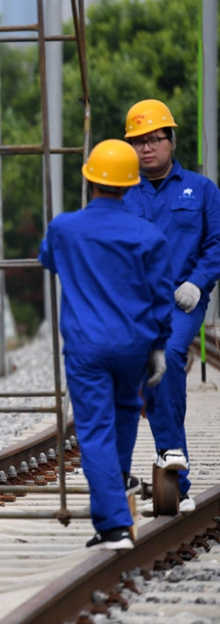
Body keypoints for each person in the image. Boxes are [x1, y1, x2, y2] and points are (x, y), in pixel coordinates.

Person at [39, 139, 174, 549]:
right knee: (126, 415)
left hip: (86, 346)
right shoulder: (148, 235)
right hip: (133, 345)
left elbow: (48, 260)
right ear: (131, 185)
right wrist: (159, 346)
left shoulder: (65, 228)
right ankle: (117, 502)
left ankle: (113, 524)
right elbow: (161, 296)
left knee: (95, 429)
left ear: (90, 179)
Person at [122, 99, 220, 516]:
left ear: (171, 140)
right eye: (138, 142)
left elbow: (216, 243)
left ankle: (174, 474)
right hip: (137, 303)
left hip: (182, 302)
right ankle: (165, 463)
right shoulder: (122, 194)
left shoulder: (201, 190)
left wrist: (198, 283)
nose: (147, 148)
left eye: (154, 139)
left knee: (169, 354)